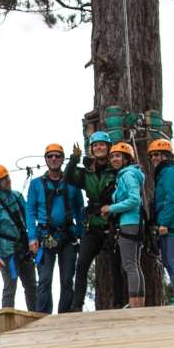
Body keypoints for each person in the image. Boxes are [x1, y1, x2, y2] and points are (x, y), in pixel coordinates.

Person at [62, 130, 121, 312]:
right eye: (95, 145)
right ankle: (77, 306)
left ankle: (120, 303)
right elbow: (67, 177)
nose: (98, 148)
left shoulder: (116, 169)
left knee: (116, 266)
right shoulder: (87, 172)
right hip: (93, 225)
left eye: (102, 145)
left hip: (112, 224)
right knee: (81, 266)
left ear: (108, 147)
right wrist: (74, 159)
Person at [25, 143, 84, 314]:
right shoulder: (36, 184)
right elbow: (30, 211)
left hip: (68, 236)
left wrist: (81, 234)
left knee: (67, 279)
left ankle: (65, 315)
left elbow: (80, 209)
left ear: (63, 159)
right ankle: (42, 315)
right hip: (44, 237)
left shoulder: (72, 183)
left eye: (57, 156)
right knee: (44, 280)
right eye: (50, 156)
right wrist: (32, 237)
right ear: (45, 159)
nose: (54, 159)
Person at [0, 164, 38, 310]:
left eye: (7, 177)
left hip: (24, 249)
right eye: (4, 179)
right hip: (7, 254)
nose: (8, 181)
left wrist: (34, 238)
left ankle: (37, 314)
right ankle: (7, 317)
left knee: (31, 285)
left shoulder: (17, 197)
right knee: (10, 286)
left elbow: (29, 218)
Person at [102, 141, 147, 308]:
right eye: (112, 156)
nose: (114, 159)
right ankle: (139, 304)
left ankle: (134, 304)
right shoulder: (129, 174)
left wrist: (111, 208)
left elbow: (134, 200)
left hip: (129, 222)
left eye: (118, 156)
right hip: (135, 222)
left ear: (126, 159)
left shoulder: (127, 175)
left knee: (129, 265)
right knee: (135, 264)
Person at [147, 138, 174, 304]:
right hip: (168, 222)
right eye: (152, 155)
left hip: (170, 224)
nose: (153, 158)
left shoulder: (170, 173)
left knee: (171, 261)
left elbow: (171, 199)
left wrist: (164, 222)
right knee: (169, 261)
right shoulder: (163, 174)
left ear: (166, 155)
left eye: (157, 155)